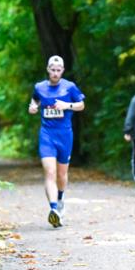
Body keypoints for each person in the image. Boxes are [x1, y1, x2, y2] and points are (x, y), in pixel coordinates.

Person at [28, 55, 85, 228]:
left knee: (61, 174)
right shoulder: (39, 87)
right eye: (52, 70)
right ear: (48, 69)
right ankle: (53, 210)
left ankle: (60, 199)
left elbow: (81, 105)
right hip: (47, 135)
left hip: (65, 135)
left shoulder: (70, 87)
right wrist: (33, 106)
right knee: (50, 172)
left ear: (62, 70)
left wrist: (67, 106)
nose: (55, 73)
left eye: (58, 70)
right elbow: (35, 99)